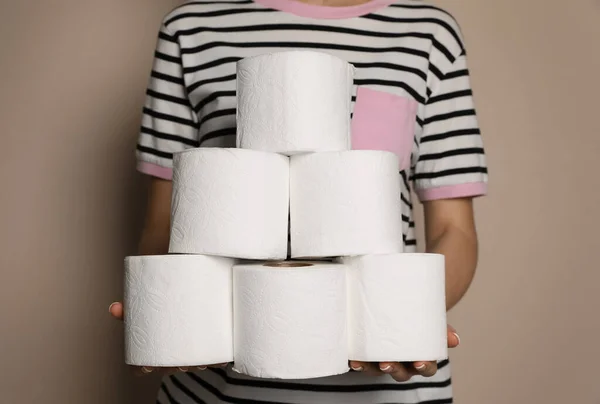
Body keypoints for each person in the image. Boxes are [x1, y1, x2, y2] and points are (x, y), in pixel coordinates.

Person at [109, 0, 488, 402]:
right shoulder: (190, 29)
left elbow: (454, 229)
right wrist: (172, 319)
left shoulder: (429, 33)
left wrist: (402, 322)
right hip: (218, 390)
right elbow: (164, 226)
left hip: (389, 383)